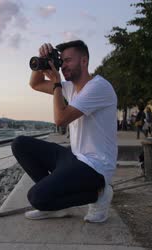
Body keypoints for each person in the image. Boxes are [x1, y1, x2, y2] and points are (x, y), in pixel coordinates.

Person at [11, 40, 118, 223]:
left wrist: (56, 84)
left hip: (95, 167)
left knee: (37, 198)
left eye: (67, 60)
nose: (62, 66)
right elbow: (35, 84)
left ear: (83, 61)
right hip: (74, 157)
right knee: (20, 144)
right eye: (61, 61)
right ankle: (57, 205)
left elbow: (60, 119)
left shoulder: (98, 87)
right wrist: (42, 60)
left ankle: (100, 194)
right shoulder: (70, 87)